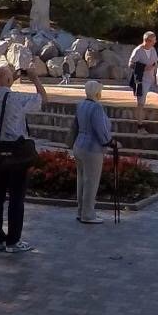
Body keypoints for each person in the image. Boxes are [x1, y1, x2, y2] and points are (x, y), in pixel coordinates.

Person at [0, 64, 47, 253]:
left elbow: (3, 88)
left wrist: (11, 78)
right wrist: (34, 78)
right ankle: (13, 241)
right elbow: (43, 98)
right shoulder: (17, 98)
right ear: (10, 81)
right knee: (16, 198)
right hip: (15, 152)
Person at [68, 80, 114, 224]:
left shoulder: (80, 104)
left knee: (81, 179)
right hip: (92, 148)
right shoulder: (97, 108)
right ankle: (88, 214)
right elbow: (101, 129)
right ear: (96, 92)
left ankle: (81, 210)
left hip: (79, 145)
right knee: (91, 182)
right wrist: (110, 142)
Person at [128, 32, 158, 109]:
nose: (155, 42)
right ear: (147, 40)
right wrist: (143, 68)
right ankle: (139, 121)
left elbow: (155, 63)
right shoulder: (138, 51)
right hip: (142, 80)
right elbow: (130, 64)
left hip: (152, 79)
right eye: (153, 41)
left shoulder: (153, 50)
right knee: (141, 103)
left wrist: (157, 78)